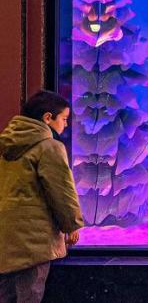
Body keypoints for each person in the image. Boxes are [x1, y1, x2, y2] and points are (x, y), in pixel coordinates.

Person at [0, 90, 84, 303]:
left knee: (7, 294)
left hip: (6, 236)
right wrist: (71, 224)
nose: (65, 125)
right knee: (31, 294)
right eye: (64, 119)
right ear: (48, 118)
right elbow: (61, 190)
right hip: (34, 239)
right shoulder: (49, 147)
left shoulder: (4, 145)